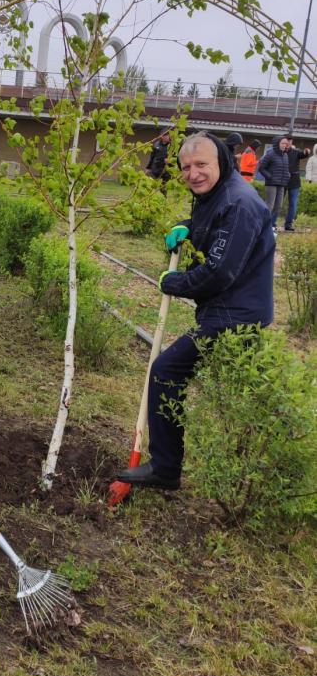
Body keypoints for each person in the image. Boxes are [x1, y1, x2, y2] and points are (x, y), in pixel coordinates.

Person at [115, 132, 274, 490]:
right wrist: (189, 230)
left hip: (236, 316)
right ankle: (247, 470)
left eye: (201, 165)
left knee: (167, 370)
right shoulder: (216, 195)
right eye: (186, 167)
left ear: (221, 161)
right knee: (242, 395)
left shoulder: (239, 203)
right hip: (228, 310)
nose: (193, 173)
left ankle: (166, 469)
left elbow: (220, 272)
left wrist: (174, 282)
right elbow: (214, 234)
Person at [257, 135, 290, 233]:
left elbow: (286, 169)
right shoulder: (270, 154)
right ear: (277, 144)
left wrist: (287, 175)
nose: (285, 145)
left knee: (278, 206)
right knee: (269, 205)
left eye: (286, 144)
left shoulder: (285, 155)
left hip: (282, 184)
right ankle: (262, 225)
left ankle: (270, 224)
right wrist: (269, 176)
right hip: (271, 183)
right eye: (283, 143)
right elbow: (261, 168)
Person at [283, 136, 311, 232]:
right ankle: (272, 223)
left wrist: (306, 151)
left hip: (294, 181)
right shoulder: (279, 152)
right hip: (281, 181)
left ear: (291, 142)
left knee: (293, 204)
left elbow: (303, 154)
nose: (287, 143)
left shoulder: (296, 152)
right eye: (286, 141)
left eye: (289, 141)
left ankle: (288, 224)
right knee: (277, 204)